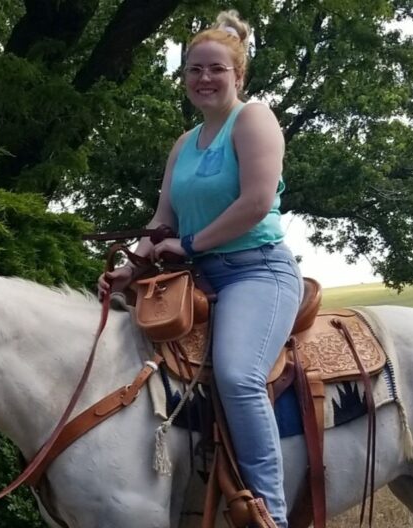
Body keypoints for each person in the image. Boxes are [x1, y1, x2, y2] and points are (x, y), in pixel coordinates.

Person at [97, 10, 302, 526]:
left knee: (237, 376)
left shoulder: (254, 118)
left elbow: (256, 202)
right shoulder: (183, 144)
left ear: (239, 76)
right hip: (196, 278)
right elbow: (162, 218)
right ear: (184, 78)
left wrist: (191, 245)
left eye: (216, 69)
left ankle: (268, 512)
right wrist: (132, 267)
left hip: (257, 271)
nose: (204, 79)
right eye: (194, 70)